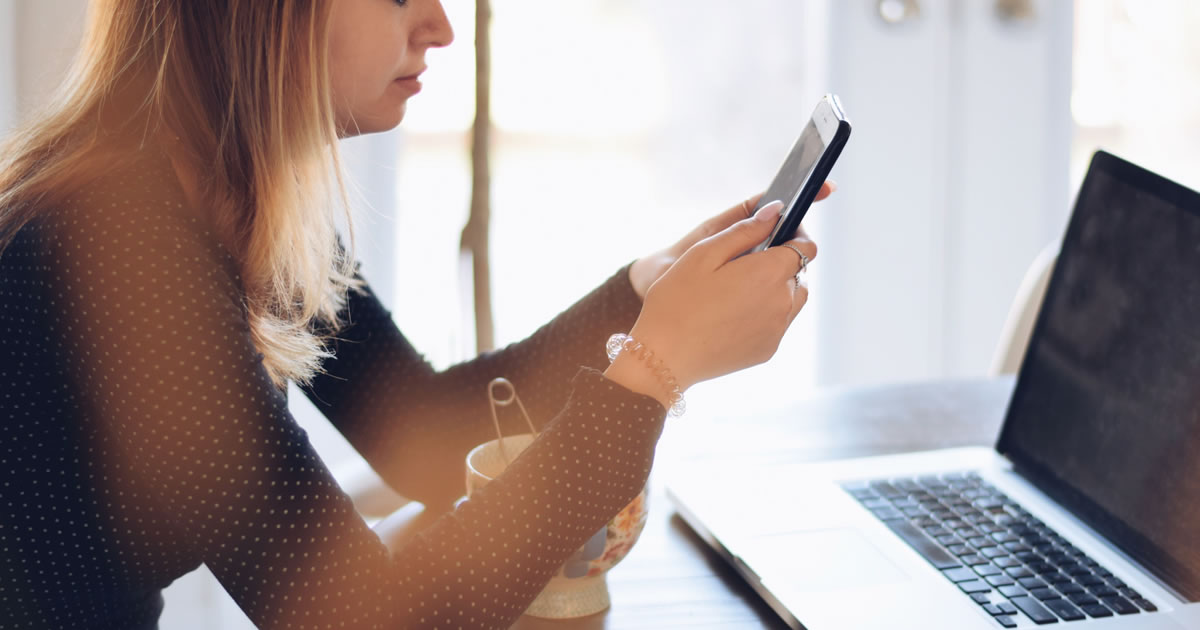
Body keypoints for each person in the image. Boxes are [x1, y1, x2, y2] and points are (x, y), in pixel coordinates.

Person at [0, 1, 829, 628]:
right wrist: (653, 370)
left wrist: (645, 293)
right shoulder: (116, 249)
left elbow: (431, 432)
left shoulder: (225, 195)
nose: (440, 26)